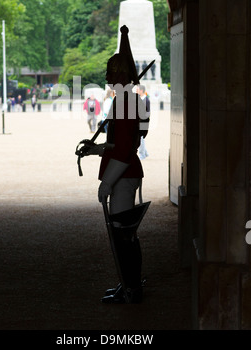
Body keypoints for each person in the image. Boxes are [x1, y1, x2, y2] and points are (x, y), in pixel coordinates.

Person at [79, 25, 150, 304]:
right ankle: (128, 283)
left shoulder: (127, 102)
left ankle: (132, 287)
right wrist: (95, 148)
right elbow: (115, 145)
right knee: (123, 236)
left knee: (124, 237)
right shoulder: (123, 101)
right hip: (122, 170)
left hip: (124, 175)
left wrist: (107, 182)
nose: (108, 76)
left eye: (112, 71)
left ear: (121, 74)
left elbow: (124, 150)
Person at [136, 84, 150, 160]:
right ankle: (145, 152)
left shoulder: (145, 100)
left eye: (137, 90)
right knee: (141, 137)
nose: (136, 91)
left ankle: (142, 154)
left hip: (144, 121)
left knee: (141, 137)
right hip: (142, 120)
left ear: (141, 90)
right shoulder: (142, 99)